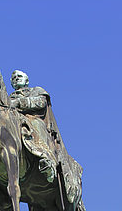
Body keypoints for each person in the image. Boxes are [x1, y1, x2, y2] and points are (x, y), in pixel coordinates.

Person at [10, 70, 82, 203]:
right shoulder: (8, 98)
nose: (16, 79)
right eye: (13, 78)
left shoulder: (37, 90)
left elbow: (41, 103)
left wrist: (20, 103)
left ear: (26, 81)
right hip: (15, 120)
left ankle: (47, 160)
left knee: (36, 125)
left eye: (19, 77)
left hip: (34, 119)